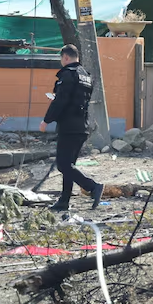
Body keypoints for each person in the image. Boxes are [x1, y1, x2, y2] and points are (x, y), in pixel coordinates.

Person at [40, 44, 104, 211]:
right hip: (81, 125)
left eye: (61, 58)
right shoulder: (86, 76)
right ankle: (64, 201)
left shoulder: (67, 75)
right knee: (69, 166)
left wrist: (46, 120)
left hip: (68, 126)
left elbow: (61, 101)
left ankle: (92, 187)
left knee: (63, 165)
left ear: (66, 57)